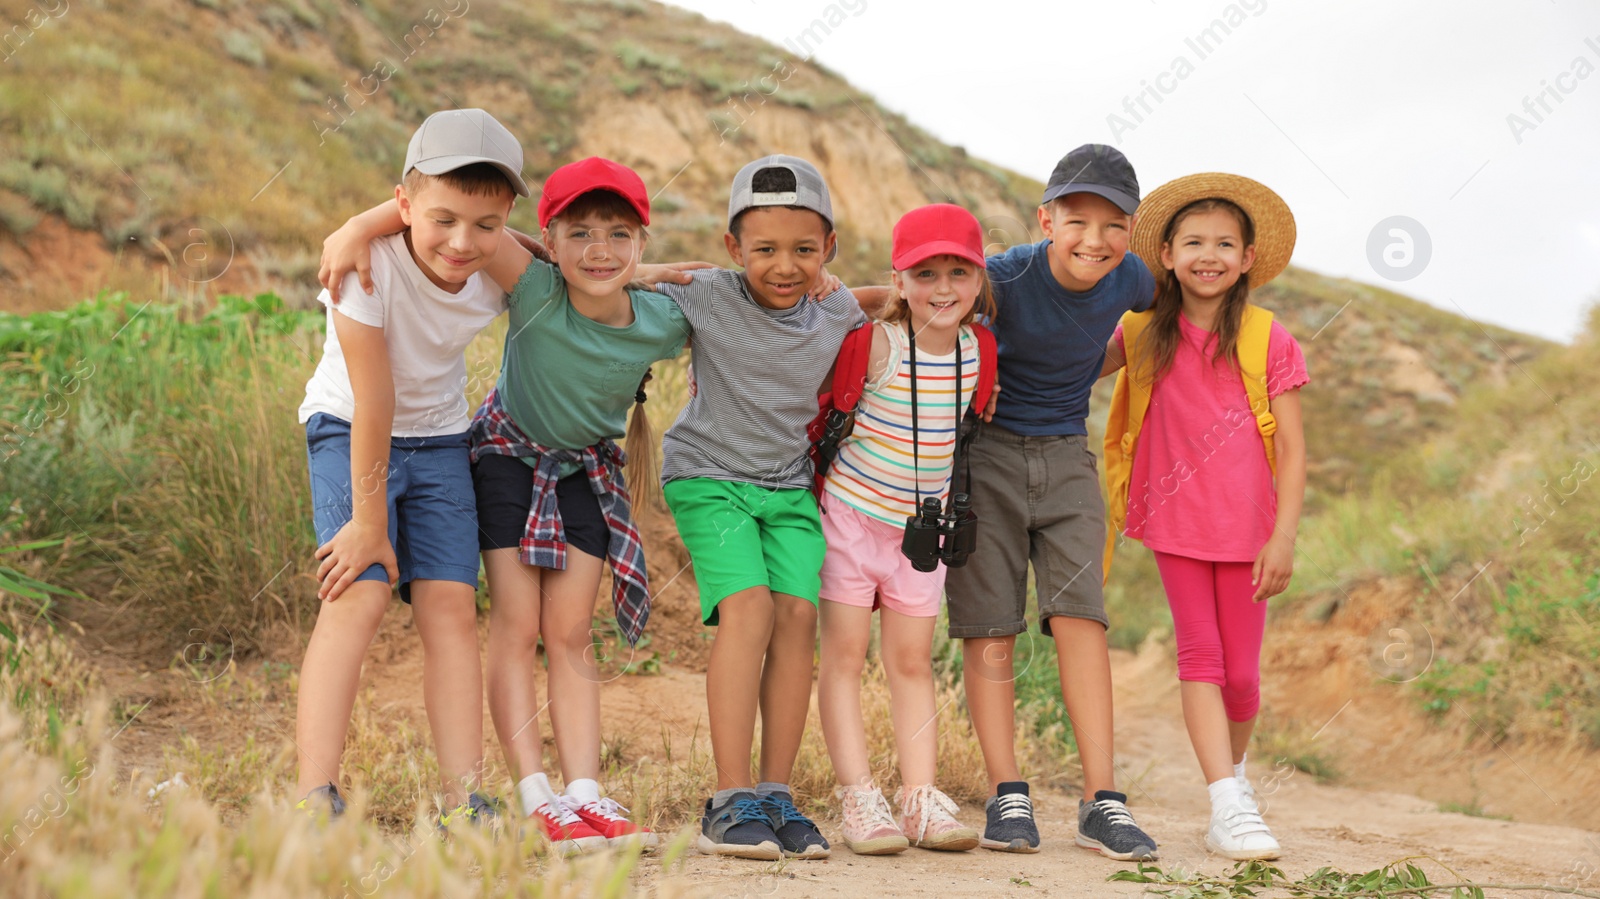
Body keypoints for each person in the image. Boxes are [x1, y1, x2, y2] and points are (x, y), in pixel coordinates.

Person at [318, 157, 695, 854]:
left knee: (573, 630)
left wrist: (842, 288)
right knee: (518, 626)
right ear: (548, 242)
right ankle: (533, 794)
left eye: (619, 235)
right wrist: (354, 226)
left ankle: (585, 790)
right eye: (579, 234)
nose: (600, 250)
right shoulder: (532, 286)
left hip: (587, 469)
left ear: (643, 242)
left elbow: (752, 290)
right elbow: (453, 220)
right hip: (506, 460)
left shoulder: (662, 321)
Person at [294, 108, 529, 826]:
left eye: (485, 225)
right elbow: (374, 397)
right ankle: (315, 796)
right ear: (403, 207)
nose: (463, 243)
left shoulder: (499, 262)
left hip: (440, 439)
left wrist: (658, 273)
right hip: (350, 425)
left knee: (453, 607)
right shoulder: (362, 267)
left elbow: (582, 268)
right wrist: (370, 522)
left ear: (507, 219)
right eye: (443, 220)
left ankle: (465, 798)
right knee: (358, 590)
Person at [942, 145, 1161, 859]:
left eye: (1112, 224)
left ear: (1130, 231)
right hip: (986, 456)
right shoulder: (1004, 275)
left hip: (1068, 456)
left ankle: (1104, 800)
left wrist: (1095, 368)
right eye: (1077, 220)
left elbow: (1175, 306)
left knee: (1081, 619)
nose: (1093, 239)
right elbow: (923, 298)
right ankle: (1008, 792)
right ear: (1047, 218)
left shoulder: (1131, 277)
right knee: (991, 627)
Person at [654, 155, 866, 861]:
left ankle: (777, 790)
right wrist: (659, 268)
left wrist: (860, 288)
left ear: (828, 250)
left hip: (788, 489)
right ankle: (729, 795)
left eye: (805, 251)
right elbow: (599, 273)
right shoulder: (707, 294)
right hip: (708, 476)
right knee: (748, 609)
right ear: (732, 247)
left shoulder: (836, 307)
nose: (785, 265)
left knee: (798, 615)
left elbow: (889, 300)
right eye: (765, 249)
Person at [1100, 173, 1306, 861]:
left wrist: (1284, 535)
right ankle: (1226, 801)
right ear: (1165, 253)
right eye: (1192, 242)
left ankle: (1234, 781)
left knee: (1243, 676)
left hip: (1250, 530)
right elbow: (1069, 362)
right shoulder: (1140, 331)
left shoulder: (1266, 337)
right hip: (1175, 519)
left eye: (1224, 242)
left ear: (1248, 257)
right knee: (1201, 657)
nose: (1207, 254)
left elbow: (1298, 451)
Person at [816, 204, 995, 856]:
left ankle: (919, 798)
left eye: (958, 271)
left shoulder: (980, 350)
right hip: (851, 522)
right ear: (898, 280)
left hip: (922, 536)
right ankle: (859, 796)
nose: (942, 287)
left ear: (979, 279)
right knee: (842, 656)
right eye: (925, 273)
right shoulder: (879, 345)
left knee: (912, 661)